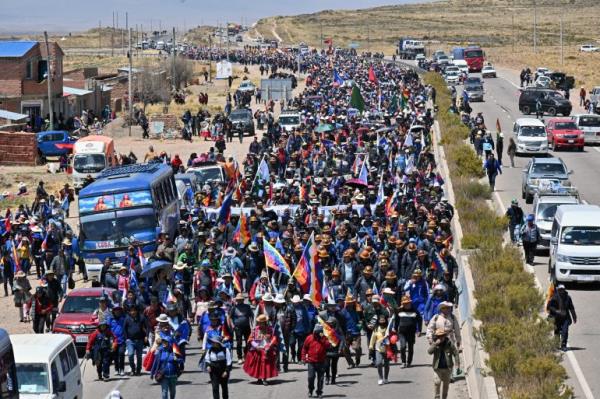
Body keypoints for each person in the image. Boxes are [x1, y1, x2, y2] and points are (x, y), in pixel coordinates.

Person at [243, 314, 278, 385]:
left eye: (262, 322)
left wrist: (269, 345)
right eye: (260, 322)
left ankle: (264, 378)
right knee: (258, 365)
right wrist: (256, 346)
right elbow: (250, 339)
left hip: (266, 349)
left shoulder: (270, 329)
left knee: (265, 365)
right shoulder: (255, 329)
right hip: (257, 349)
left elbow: (274, 338)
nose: (261, 324)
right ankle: (259, 378)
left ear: (265, 322)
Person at [301, 324, 330, 398]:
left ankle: (319, 392)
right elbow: (304, 348)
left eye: (320, 332)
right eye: (317, 332)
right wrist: (304, 358)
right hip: (311, 362)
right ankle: (310, 390)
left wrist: (322, 339)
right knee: (311, 377)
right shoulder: (309, 338)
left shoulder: (324, 338)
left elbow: (328, 345)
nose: (318, 334)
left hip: (321, 361)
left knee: (320, 379)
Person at [428, 328, 457, 399]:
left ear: (444, 336)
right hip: (437, 368)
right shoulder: (435, 343)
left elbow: (455, 353)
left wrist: (457, 363)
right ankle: (437, 397)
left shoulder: (449, 343)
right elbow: (429, 351)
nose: (441, 338)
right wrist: (435, 344)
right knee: (437, 382)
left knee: (446, 385)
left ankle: (444, 397)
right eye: (439, 336)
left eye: (442, 336)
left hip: (447, 368)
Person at [547, 284, 577, 351]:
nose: (561, 291)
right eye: (560, 289)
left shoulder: (568, 298)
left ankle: (563, 345)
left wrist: (574, 317)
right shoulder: (554, 297)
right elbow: (549, 307)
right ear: (558, 290)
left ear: (564, 290)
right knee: (557, 331)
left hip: (565, 318)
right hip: (556, 318)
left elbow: (571, 308)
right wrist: (556, 311)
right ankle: (556, 344)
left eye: (562, 289)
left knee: (565, 331)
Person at [394, 296, 420, 368]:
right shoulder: (399, 311)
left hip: (411, 332)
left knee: (410, 347)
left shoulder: (414, 310)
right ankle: (403, 362)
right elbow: (396, 321)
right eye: (405, 303)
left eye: (408, 303)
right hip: (402, 332)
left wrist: (419, 330)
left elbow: (419, 320)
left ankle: (409, 362)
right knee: (403, 346)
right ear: (402, 304)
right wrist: (395, 330)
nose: (407, 305)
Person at [123, 305, 148, 375]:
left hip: (140, 340)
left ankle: (138, 370)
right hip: (130, 341)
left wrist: (146, 336)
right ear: (129, 312)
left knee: (139, 356)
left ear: (137, 311)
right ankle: (133, 369)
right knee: (130, 355)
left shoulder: (141, 317)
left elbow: (147, 327)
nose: (133, 312)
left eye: (134, 310)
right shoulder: (127, 319)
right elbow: (124, 329)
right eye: (131, 311)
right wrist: (126, 338)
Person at [229, 293, 253, 364]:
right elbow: (230, 317)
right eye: (238, 300)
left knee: (248, 342)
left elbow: (251, 316)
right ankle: (239, 357)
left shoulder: (247, 307)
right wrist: (232, 325)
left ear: (243, 300)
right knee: (239, 342)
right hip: (238, 327)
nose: (239, 301)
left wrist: (252, 325)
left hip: (247, 326)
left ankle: (246, 355)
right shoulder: (234, 307)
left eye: (240, 300)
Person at [369, 315, 391, 385]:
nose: (382, 321)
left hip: (387, 349)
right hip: (378, 349)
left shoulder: (388, 329)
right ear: (378, 321)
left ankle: (386, 378)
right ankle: (380, 378)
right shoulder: (376, 329)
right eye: (380, 320)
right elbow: (373, 338)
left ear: (385, 320)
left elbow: (394, 337)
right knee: (379, 363)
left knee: (387, 364)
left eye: (383, 320)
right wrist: (371, 346)